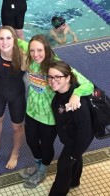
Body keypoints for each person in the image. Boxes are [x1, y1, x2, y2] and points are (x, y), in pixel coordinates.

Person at [20, 34, 94, 189]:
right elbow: (20, 42)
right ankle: (38, 164)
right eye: (32, 50)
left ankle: (42, 170)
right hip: (31, 111)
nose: (35, 54)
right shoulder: (32, 60)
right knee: (31, 141)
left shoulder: (55, 65)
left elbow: (88, 84)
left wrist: (76, 94)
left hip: (49, 117)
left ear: (47, 50)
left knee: (46, 146)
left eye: (39, 50)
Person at [47, 61, 94, 196]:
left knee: (63, 166)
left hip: (77, 141)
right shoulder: (61, 94)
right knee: (75, 159)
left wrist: (75, 153)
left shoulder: (77, 103)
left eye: (58, 77)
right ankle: (74, 181)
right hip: (71, 138)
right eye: (50, 77)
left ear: (68, 78)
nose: (53, 81)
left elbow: (85, 133)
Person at [0, 26, 27, 169]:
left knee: (17, 127)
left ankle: (15, 153)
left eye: (8, 38)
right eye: (1, 38)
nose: (5, 42)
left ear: (14, 40)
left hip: (17, 95)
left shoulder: (22, 57)